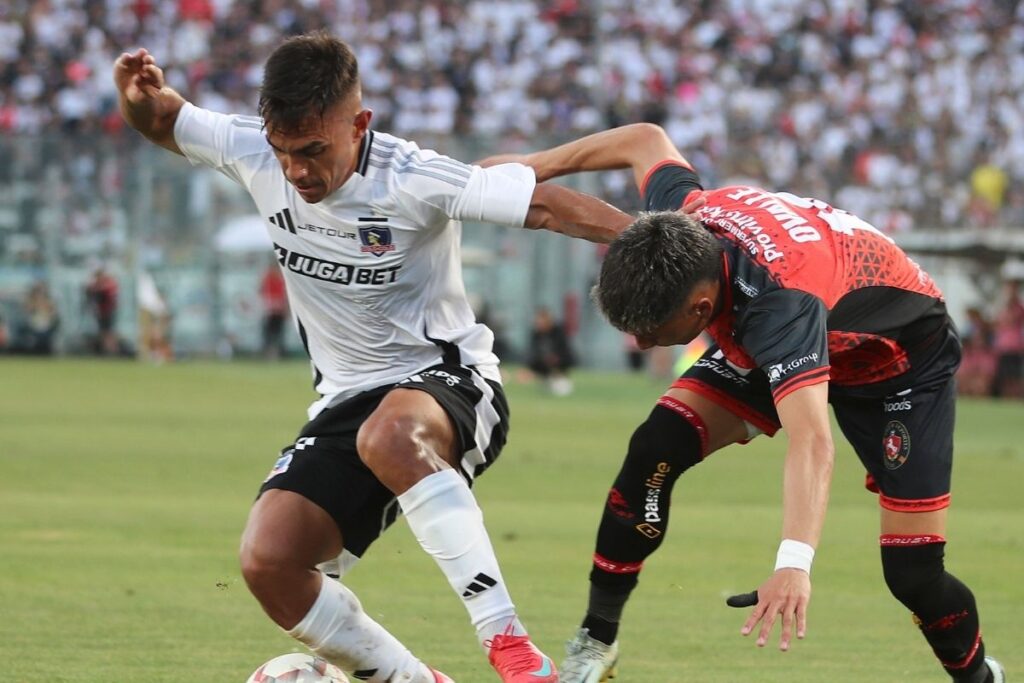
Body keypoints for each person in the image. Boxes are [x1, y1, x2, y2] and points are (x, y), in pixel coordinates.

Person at [113, 31, 631, 683]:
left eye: (312, 151)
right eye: (282, 151)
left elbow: (548, 205)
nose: (296, 170)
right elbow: (161, 118)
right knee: (270, 560)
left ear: (359, 123)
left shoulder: (412, 176)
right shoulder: (251, 148)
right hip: (345, 399)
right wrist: (134, 96)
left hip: (452, 384)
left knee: (388, 433)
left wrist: (661, 240)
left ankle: (512, 649)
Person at [481, 123, 1005, 683]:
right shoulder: (681, 225)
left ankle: (980, 678)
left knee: (912, 572)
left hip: (900, 364)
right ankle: (596, 639)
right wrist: (532, 165)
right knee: (656, 445)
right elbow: (643, 140)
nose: (640, 343)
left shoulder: (782, 306)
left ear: (701, 307)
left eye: (652, 331)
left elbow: (812, 442)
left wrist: (793, 565)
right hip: (791, 324)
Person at [526, 306, 575, 396]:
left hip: (559, 364)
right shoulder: (536, 334)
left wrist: (556, 359)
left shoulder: (558, 332)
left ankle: (558, 377)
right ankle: (544, 378)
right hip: (542, 365)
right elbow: (532, 352)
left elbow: (566, 352)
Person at [83, 264, 120, 356]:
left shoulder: (109, 283)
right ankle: (106, 350)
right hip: (101, 312)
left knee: (108, 332)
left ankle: (113, 351)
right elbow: (89, 289)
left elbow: (105, 291)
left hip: (109, 312)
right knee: (103, 332)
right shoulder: (98, 284)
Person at [259, 258, 288, 360]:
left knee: (276, 333)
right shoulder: (269, 278)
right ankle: (270, 353)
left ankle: (276, 353)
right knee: (270, 334)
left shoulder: (278, 278)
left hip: (277, 310)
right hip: (271, 310)